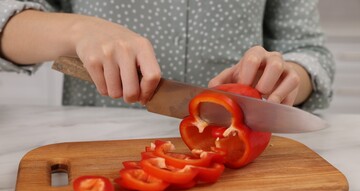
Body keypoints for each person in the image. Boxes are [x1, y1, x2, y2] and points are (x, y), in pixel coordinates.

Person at [0, 0, 335, 112]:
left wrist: (286, 77)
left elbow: (310, 52)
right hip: (96, 142)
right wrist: (76, 31)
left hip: (236, 151)